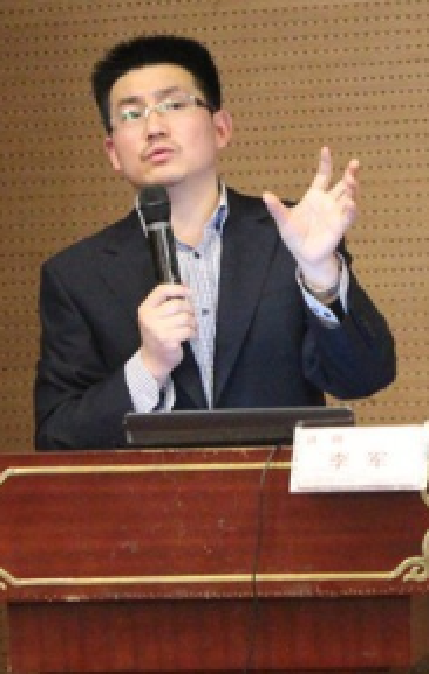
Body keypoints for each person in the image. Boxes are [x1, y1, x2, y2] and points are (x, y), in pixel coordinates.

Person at [34, 34, 396, 450]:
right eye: (132, 114)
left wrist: (320, 274)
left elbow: (366, 377)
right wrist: (148, 367)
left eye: (173, 105)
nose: (154, 127)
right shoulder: (76, 276)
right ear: (113, 152)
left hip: (279, 490)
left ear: (221, 128)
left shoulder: (290, 235)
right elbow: (56, 438)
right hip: (150, 493)